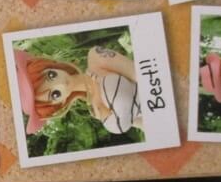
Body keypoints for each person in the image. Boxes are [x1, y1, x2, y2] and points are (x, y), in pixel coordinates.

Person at [14, 46, 142, 137]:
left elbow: (142, 74)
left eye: (51, 75)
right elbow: (141, 123)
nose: (61, 84)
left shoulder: (96, 58)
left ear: (51, 66)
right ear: (60, 103)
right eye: (55, 94)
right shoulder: (95, 111)